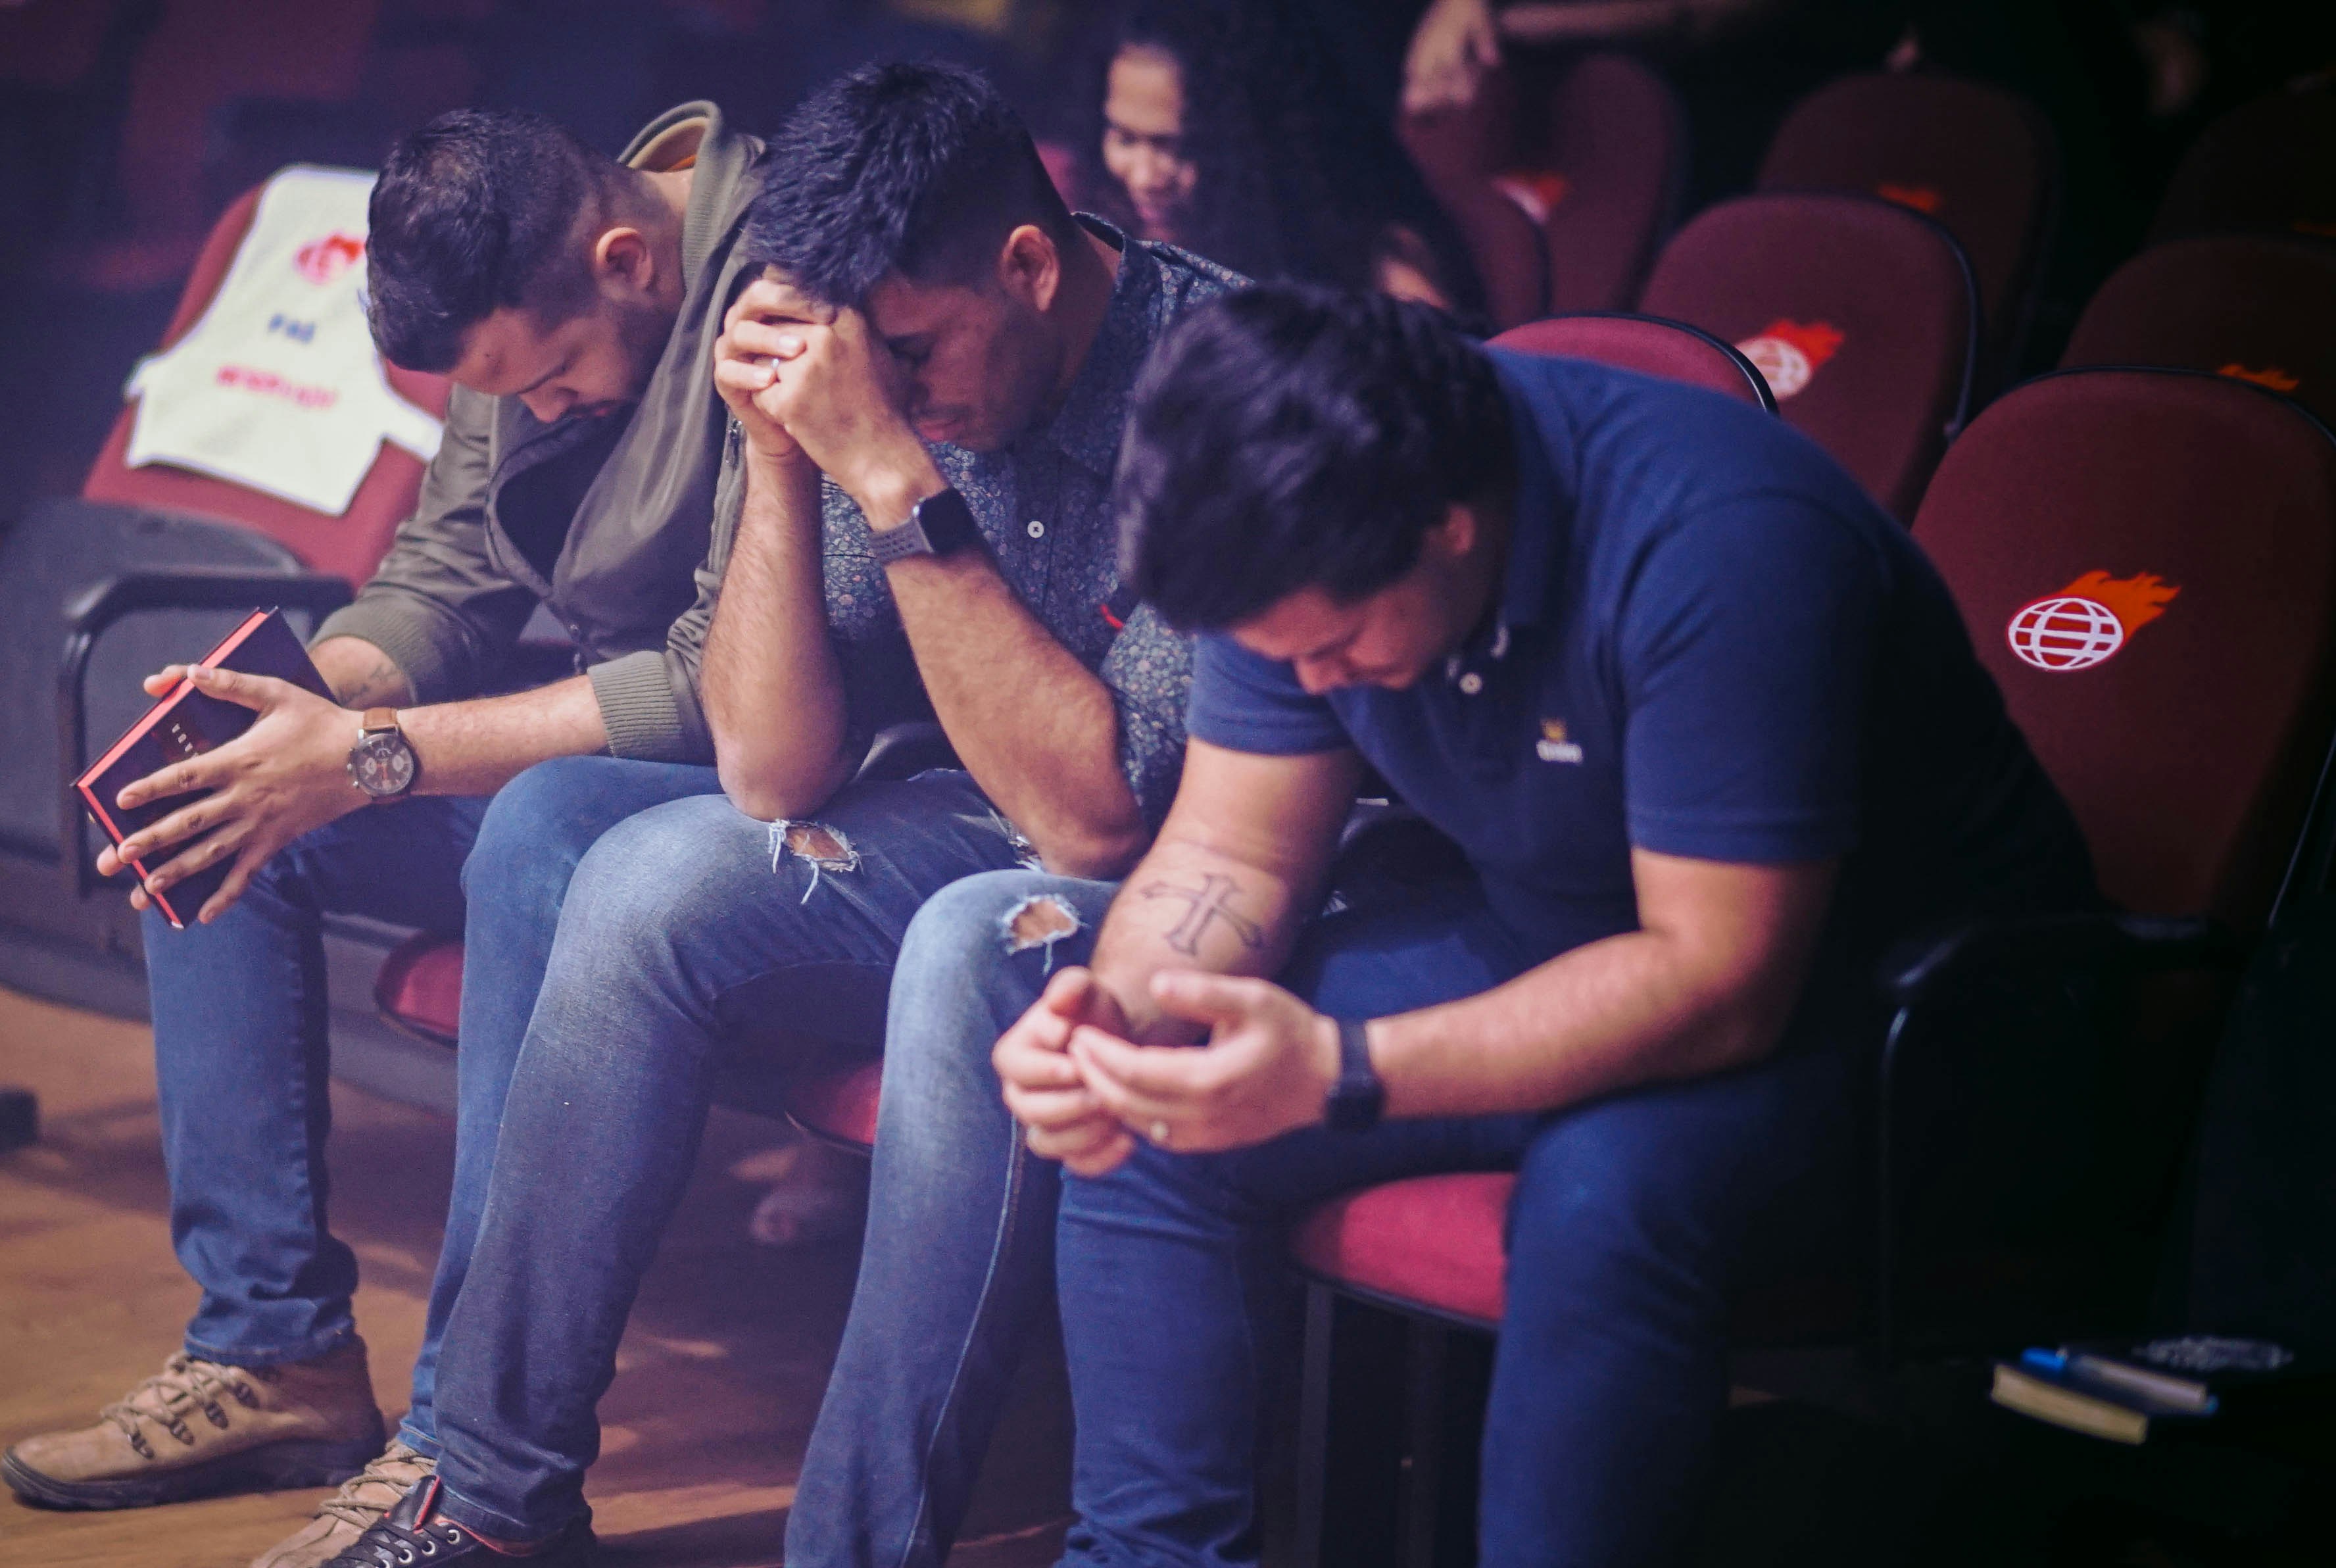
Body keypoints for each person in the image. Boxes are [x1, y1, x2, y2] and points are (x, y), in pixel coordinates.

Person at [894, 285, 2093, 1567]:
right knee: (1160, 1113)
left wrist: (1339, 1073)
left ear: (1446, 527)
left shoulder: (1719, 541)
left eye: (1338, 645)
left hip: (1894, 1017)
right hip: (1575, 935)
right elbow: (1231, 847)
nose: (1308, 687)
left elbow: (1722, 978)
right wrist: (1115, 1023)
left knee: (1603, 1193)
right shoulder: (1280, 525)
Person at [312, 60, 1240, 1568]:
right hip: (955, 806)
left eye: (922, 352)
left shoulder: (1209, 378)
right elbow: (769, 769)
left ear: (1024, 263)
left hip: (1189, 859)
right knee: (631, 874)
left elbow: (1093, 815)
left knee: (961, 928)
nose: (905, 389)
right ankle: (487, 1492)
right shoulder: (881, 360)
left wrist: (885, 469)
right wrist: (773, 453)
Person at [0, 101, 767, 1568]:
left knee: (533, 832)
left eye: (544, 383)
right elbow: (450, 563)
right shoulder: (523, 276)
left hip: (780, 767)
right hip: (615, 737)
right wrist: (306, 708)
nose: (532, 408)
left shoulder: (777, 285)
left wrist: (368, 753)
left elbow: (724, 684)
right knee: (230, 788)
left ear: (628, 260)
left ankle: (457, 1446)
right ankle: (270, 1347)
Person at [1071, 0, 1487, 312]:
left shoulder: (1377, 280)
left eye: (1179, 149)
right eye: (1124, 138)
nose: (1143, 178)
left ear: (1251, 150)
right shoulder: (1110, 254)